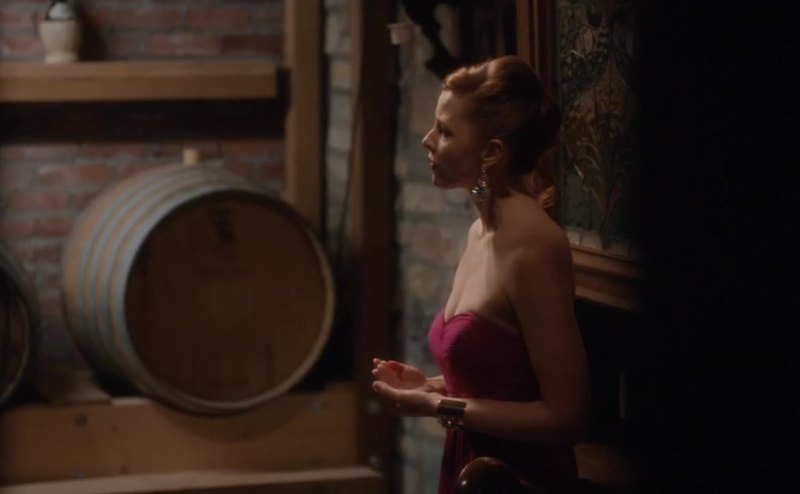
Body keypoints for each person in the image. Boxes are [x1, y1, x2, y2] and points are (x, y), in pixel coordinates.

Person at [371, 55, 591, 494]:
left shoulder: (532, 247)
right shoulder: (480, 232)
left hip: (518, 480)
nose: (427, 140)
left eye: (445, 131)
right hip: (472, 466)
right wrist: (430, 386)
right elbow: (504, 380)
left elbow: (569, 415)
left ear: (491, 153)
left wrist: (437, 406)